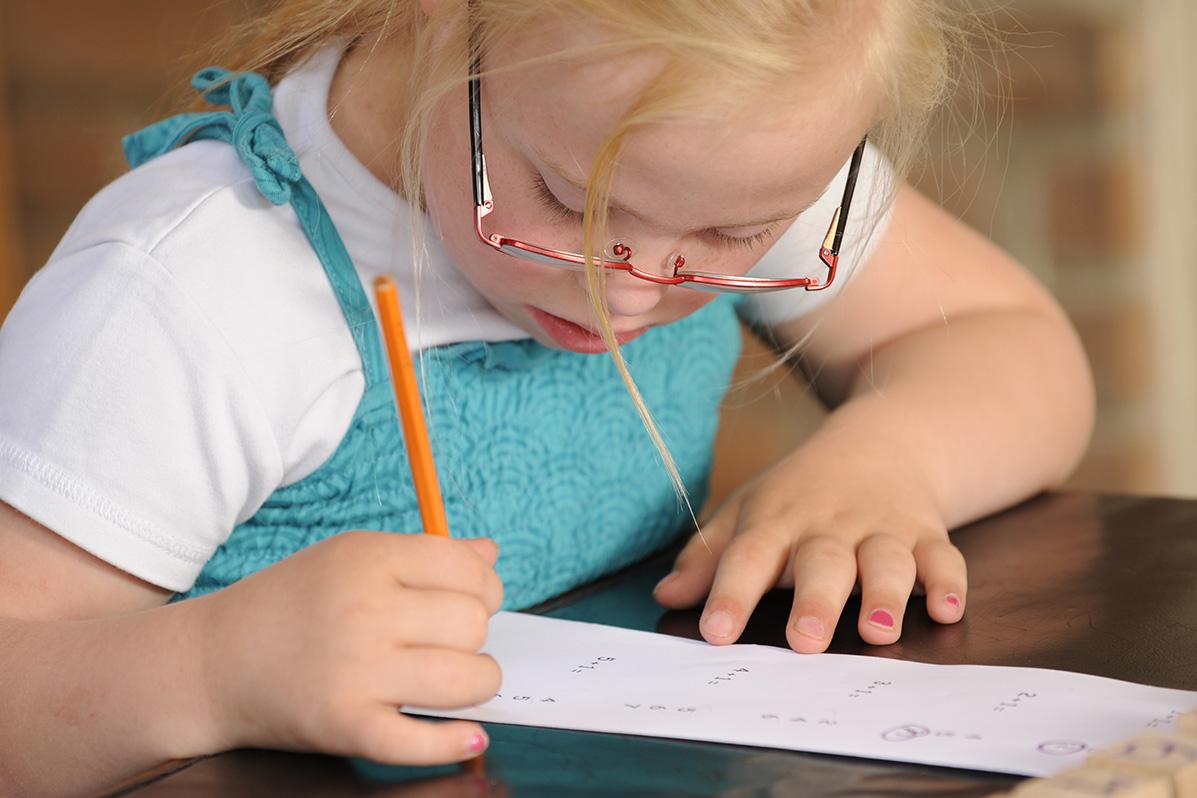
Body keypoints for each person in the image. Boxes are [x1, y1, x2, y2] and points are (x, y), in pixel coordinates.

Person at [0, 0, 1094, 794]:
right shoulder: (196, 292)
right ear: (436, 23)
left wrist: (885, 461)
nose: (633, 287)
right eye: (568, 202)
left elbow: (1009, 344)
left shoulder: (707, 154)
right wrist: (207, 671)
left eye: (734, 239)